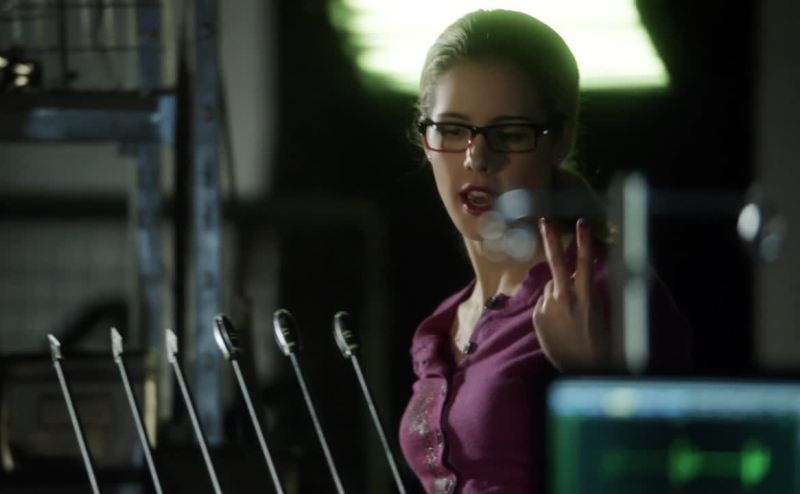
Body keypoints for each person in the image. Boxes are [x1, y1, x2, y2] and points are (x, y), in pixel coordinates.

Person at [398, 9, 690, 494]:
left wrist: (592, 376)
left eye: (510, 134)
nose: (477, 158)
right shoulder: (442, 324)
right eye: (452, 130)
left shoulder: (606, 292)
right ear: (425, 140)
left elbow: (677, 468)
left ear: (560, 139)